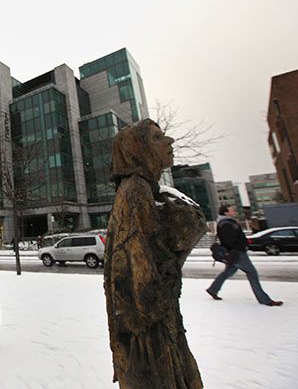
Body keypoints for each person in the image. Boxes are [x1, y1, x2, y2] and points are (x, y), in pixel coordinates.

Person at [105, 119, 205, 389]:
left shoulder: (146, 190)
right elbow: (142, 278)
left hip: (160, 324)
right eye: (158, 138)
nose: (169, 142)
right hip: (149, 334)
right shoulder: (135, 192)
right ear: (137, 149)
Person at [206, 205, 283, 306]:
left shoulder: (228, 222)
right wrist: (240, 248)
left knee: (228, 272)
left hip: (234, 253)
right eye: (232, 210)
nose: (235, 211)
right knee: (252, 273)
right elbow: (229, 240)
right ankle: (265, 300)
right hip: (237, 254)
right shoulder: (226, 224)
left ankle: (213, 289)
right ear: (225, 212)